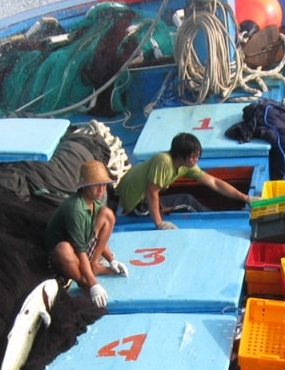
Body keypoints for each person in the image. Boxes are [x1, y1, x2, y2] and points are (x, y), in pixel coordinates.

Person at [114, 131, 253, 229]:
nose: (196, 160)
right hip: (135, 206)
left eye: (197, 156)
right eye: (192, 157)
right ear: (181, 156)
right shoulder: (164, 162)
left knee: (186, 199)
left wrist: (245, 198)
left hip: (141, 198)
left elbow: (214, 182)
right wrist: (159, 224)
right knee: (187, 202)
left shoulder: (185, 165)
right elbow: (152, 193)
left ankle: (216, 214)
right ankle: (216, 221)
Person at [45, 160, 128, 308]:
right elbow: (80, 249)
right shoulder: (75, 209)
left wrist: (112, 260)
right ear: (84, 186)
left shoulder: (94, 203)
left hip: (81, 249)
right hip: (66, 257)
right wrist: (92, 284)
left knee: (107, 214)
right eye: (97, 185)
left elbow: (91, 235)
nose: (102, 189)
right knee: (63, 250)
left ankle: (94, 264)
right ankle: (83, 281)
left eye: (104, 184)